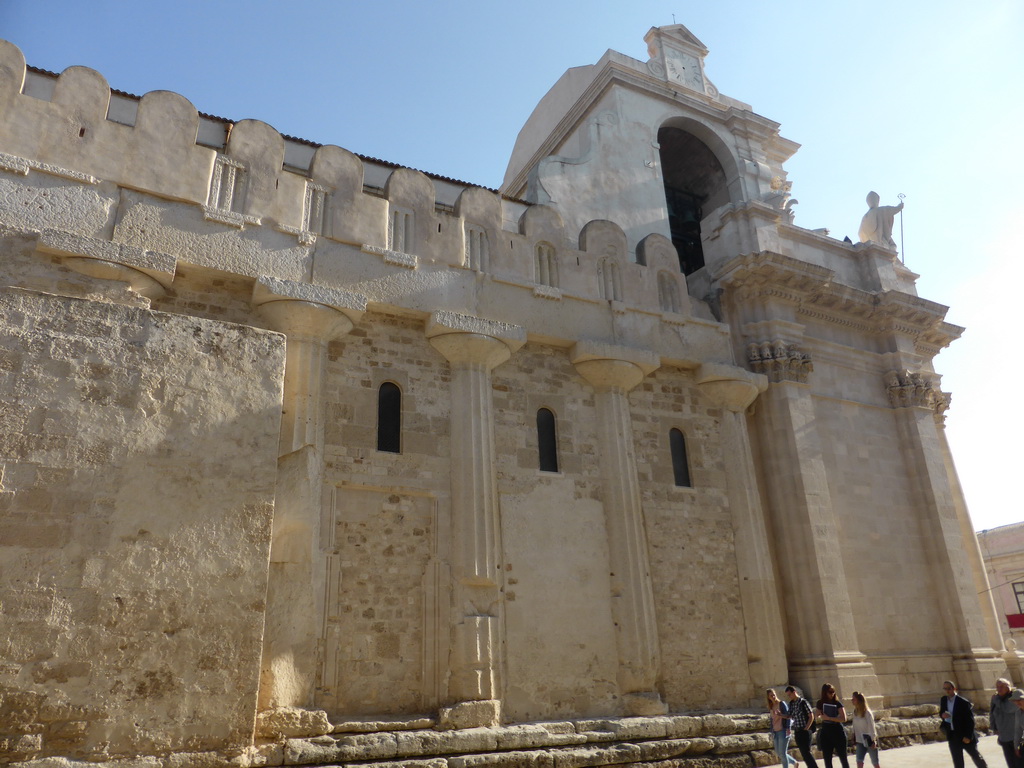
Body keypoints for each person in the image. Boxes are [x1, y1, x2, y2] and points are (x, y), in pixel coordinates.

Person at [940, 680, 988, 768]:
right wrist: (942, 715)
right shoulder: (944, 700)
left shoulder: (963, 702)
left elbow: (970, 720)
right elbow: (941, 712)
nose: (947, 691)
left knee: (975, 756)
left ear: (954, 689)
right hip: (952, 734)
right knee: (957, 760)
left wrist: (968, 736)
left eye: (949, 689)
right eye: (945, 689)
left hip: (964, 735)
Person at [816, 683, 850, 768]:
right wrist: (820, 715)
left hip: (837, 732)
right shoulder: (820, 703)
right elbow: (816, 715)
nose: (832, 694)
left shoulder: (837, 703)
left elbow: (844, 718)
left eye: (833, 692)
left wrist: (829, 718)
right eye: (830, 692)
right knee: (827, 760)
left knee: (843, 759)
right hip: (826, 733)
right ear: (825, 693)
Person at [786, 685, 819, 768]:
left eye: (790, 694)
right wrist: (780, 715)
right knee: (803, 753)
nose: (789, 697)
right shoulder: (791, 704)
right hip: (797, 731)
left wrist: (807, 728)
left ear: (794, 692)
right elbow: (789, 715)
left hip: (805, 730)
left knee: (807, 752)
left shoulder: (803, 702)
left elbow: (811, 715)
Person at [991, 679, 1019, 768]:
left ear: (1008, 687)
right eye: (997, 687)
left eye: (1001, 687)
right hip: (1004, 737)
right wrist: (994, 727)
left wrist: (996, 700)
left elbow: (1008, 708)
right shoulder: (996, 699)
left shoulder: (1015, 696)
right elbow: (992, 713)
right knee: (1011, 763)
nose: (999, 689)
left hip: (1017, 737)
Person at [768, 688, 798, 767]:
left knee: (783, 753)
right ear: (768, 698)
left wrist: (788, 728)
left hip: (783, 730)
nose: (773, 697)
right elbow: (772, 720)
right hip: (775, 731)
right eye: (771, 696)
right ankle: (794, 762)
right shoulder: (771, 707)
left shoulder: (782, 704)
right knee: (778, 752)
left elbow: (788, 716)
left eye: (774, 694)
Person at [850, 691, 880, 768]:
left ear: (859, 700)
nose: (852, 700)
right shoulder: (855, 712)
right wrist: (853, 735)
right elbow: (854, 725)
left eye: (854, 699)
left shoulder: (867, 713)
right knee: (859, 761)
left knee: (875, 763)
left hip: (869, 740)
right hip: (859, 740)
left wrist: (873, 740)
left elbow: (871, 727)